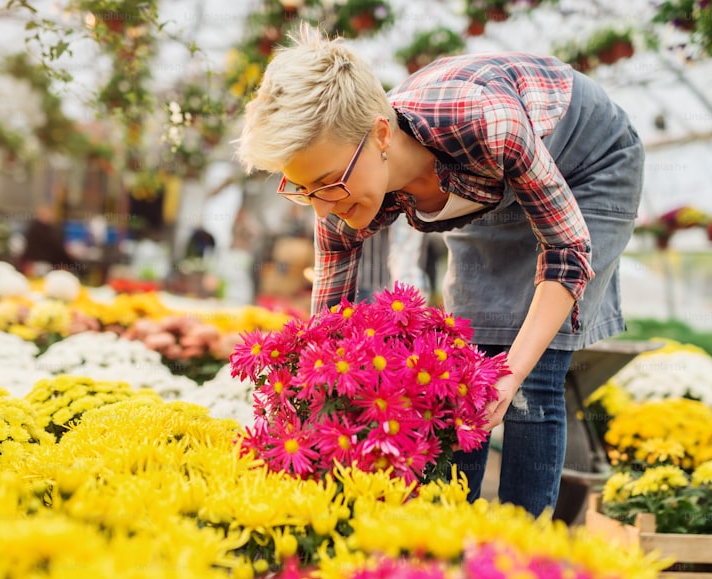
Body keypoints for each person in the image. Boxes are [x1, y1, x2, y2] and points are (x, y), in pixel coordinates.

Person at [234, 25, 644, 517]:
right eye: (303, 190)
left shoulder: (485, 123)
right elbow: (327, 334)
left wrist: (510, 375)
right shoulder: (341, 194)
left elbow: (566, 249)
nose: (322, 211)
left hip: (588, 167)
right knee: (467, 363)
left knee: (531, 377)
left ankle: (525, 551)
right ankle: (446, 531)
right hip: (491, 181)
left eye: (328, 184)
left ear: (382, 135)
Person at [19, 204, 76, 277]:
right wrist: (69, 262)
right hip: (44, 266)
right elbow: (57, 248)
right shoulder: (47, 231)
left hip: (32, 265)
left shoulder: (32, 228)